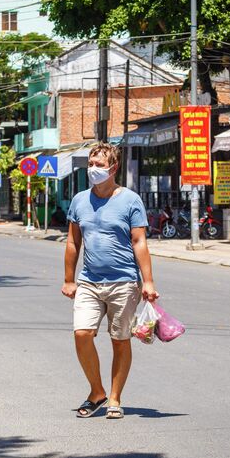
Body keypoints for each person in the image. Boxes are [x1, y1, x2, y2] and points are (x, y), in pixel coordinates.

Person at [62, 142, 159, 420]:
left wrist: (148, 281)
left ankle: (114, 397)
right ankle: (97, 392)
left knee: (120, 340)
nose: (93, 169)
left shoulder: (130, 200)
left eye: (99, 164)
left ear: (113, 168)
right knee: (82, 334)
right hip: (89, 281)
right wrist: (69, 279)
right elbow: (72, 241)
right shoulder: (80, 200)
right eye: (91, 164)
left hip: (124, 282)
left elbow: (139, 241)